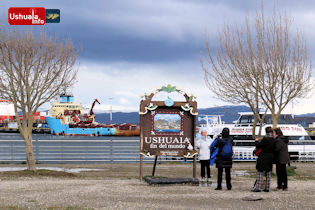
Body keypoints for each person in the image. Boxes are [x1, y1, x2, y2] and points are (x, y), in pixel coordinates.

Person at [252, 126, 275, 192]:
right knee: (268, 172)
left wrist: (256, 141)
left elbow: (258, 145)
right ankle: (267, 187)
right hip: (270, 156)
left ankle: (258, 187)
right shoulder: (273, 139)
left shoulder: (265, 139)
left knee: (260, 171)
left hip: (263, 156)